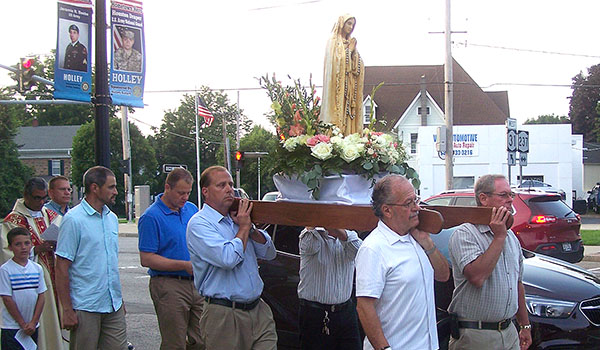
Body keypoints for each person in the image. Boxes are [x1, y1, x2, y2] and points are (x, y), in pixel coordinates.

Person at [187, 166, 277, 350]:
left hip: (258, 310)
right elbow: (228, 259)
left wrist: (250, 229)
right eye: (221, 185)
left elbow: (270, 253)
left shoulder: (238, 219)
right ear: (206, 192)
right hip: (225, 314)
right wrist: (243, 228)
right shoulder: (199, 224)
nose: (229, 189)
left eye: (230, 184)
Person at [355, 174, 450, 350]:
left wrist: (428, 244)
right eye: (409, 203)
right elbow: (364, 306)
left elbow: (443, 275)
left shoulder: (416, 238)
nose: (417, 208)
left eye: (416, 200)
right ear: (387, 210)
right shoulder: (374, 248)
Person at [448, 174, 532, 350]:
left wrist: (524, 325)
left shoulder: (511, 237)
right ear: (483, 199)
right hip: (476, 335)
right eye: (503, 195)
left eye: (511, 195)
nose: (510, 200)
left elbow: (517, 284)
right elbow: (477, 277)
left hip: (509, 332)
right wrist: (499, 236)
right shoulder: (466, 234)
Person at [55, 166, 128, 350]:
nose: (116, 192)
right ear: (95, 188)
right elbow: (62, 267)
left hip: (113, 305)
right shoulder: (74, 220)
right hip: (85, 306)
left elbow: (109, 262)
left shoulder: (111, 218)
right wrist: (67, 309)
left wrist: (119, 301)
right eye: (111, 187)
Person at [138, 168, 203, 350]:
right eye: (181, 193)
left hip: (197, 283)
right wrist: (183, 265)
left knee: (203, 339)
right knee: (174, 342)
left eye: (188, 193)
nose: (185, 197)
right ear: (167, 187)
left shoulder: (191, 209)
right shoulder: (151, 217)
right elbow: (147, 258)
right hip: (169, 285)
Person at [1, 177, 65, 350]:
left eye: (44, 198)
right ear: (26, 196)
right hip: (32, 280)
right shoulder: (13, 221)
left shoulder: (50, 215)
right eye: (37, 198)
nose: (41, 202)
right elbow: (6, 254)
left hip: (54, 273)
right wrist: (36, 249)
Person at [297, 227, 362, 350]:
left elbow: (361, 252)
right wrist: (323, 222)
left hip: (346, 312)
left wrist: (336, 229)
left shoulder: (350, 237)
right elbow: (308, 246)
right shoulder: (310, 235)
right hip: (315, 314)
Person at [0, 227, 46, 350]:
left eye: (27, 243)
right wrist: (22, 323)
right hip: (13, 327)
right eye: (18, 244)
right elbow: (7, 299)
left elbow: (41, 296)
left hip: (32, 326)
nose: (23, 247)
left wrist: (33, 322)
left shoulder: (37, 269)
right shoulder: (6, 269)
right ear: (10, 247)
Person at [319, 14, 365, 136]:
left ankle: (349, 135)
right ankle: (335, 135)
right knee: (338, 113)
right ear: (342, 24)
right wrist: (348, 51)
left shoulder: (350, 42)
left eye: (352, 25)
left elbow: (358, 67)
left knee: (349, 114)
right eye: (348, 23)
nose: (350, 27)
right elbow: (334, 64)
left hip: (350, 89)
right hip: (337, 91)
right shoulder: (333, 41)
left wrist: (354, 54)